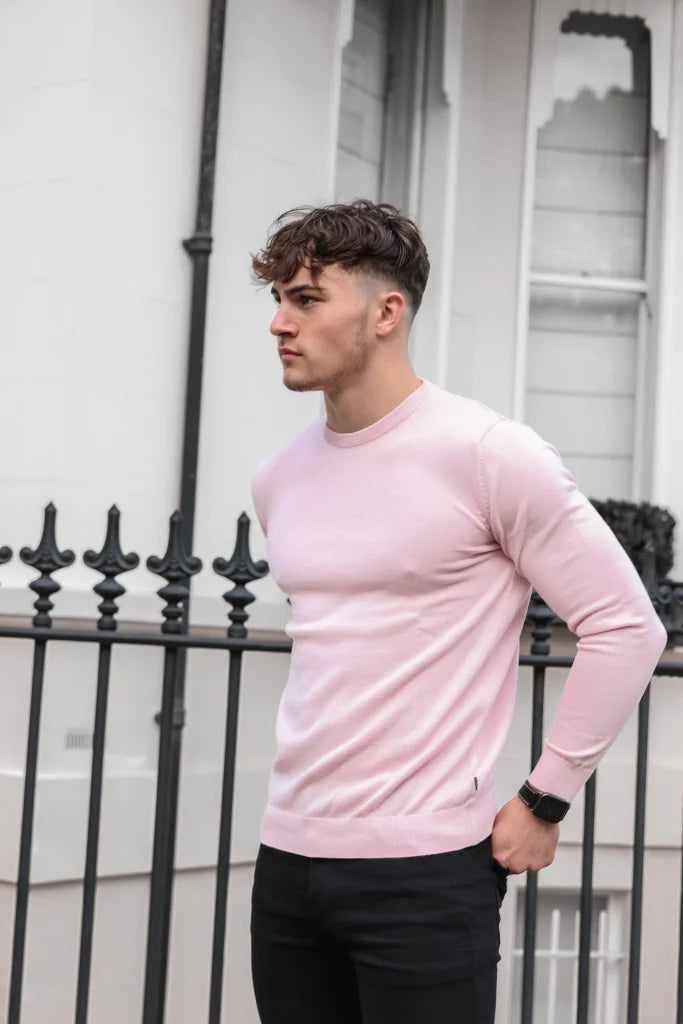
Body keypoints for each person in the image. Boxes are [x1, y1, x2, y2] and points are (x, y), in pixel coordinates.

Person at [247, 200, 666, 1024]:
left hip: (426, 870)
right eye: (278, 299)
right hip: (288, 859)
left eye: (305, 299)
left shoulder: (486, 453)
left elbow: (626, 626)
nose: (279, 323)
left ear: (385, 313)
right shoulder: (278, 478)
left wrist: (546, 799)